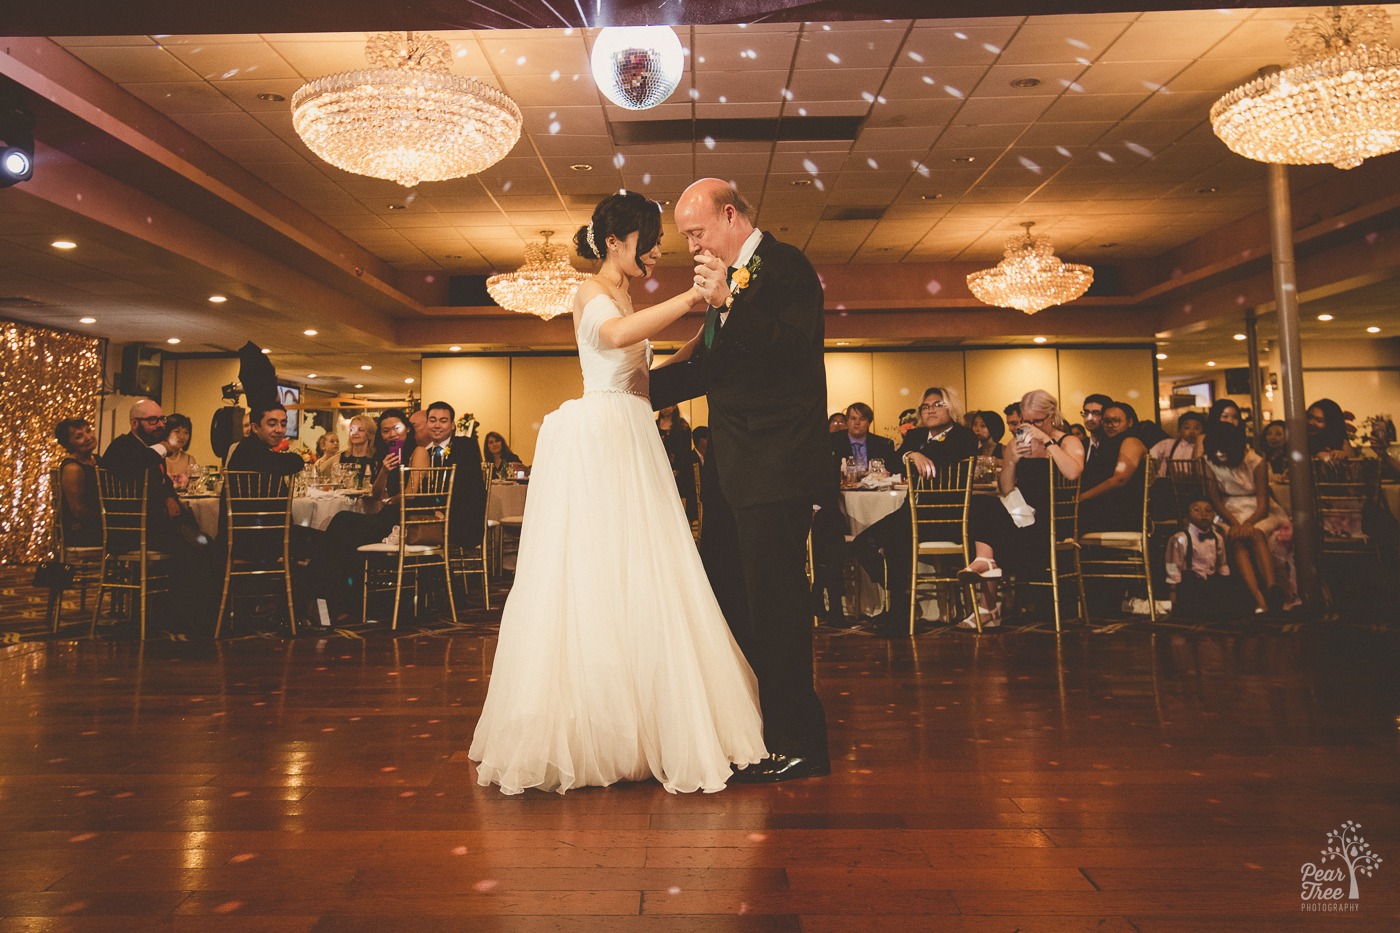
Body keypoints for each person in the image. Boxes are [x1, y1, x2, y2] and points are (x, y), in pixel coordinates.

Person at [470, 190, 765, 795]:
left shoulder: (627, 296)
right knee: (597, 570)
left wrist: (709, 332)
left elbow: (643, 369)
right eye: (649, 242)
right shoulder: (591, 291)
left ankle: (642, 716)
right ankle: (595, 725)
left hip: (632, 429)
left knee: (644, 569)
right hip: (605, 434)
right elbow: (610, 339)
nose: (658, 252)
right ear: (613, 243)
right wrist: (692, 296)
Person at [647, 177, 832, 782]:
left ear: (731, 215)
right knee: (729, 595)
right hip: (732, 468)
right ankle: (752, 726)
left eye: (698, 233)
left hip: (776, 466)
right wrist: (631, 390)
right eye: (686, 239)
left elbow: (789, 349)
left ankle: (800, 741)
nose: (693, 248)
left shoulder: (787, 268)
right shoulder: (727, 284)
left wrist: (728, 303)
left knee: (777, 603)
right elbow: (713, 370)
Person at [853, 385, 979, 632]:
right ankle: (896, 595)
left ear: (951, 408)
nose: (930, 410)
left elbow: (942, 458)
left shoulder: (963, 436)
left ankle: (900, 614)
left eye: (937, 405)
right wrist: (910, 453)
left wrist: (915, 454)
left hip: (946, 515)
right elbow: (890, 461)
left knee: (896, 542)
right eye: (925, 407)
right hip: (912, 513)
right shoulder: (916, 437)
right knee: (864, 543)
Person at [959, 390, 1085, 629]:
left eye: (1037, 421)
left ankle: (988, 607)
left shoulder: (1068, 441)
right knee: (981, 504)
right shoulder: (1018, 442)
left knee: (991, 532)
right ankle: (986, 567)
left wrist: (1048, 442)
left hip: (1053, 519)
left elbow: (1072, 472)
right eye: (1027, 421)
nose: (1031, 426)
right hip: (1021, 514)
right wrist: (1012, 460)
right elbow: (1006, 488)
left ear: (1052, 416)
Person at [1202, 422, 1292, 615]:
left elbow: (1263, 501)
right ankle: (1257, 596)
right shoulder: (1208, 461)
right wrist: (1235, 523)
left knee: (1256, 533)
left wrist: (1248, 523)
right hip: (1227, 511)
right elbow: (1215, 500)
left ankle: (1271, 588)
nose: (1219, 454)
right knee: (1236, 539)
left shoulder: (1255, 461)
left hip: (1258, 510)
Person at [404, 400, 485, 550]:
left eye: (443, 421)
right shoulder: (424, 453)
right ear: (427, 423)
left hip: (460, 520)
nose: (437, 425)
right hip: (430, 518)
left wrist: (444, 512)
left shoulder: (465, 446)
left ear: (452, 425)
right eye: (432, 420)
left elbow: (470, 489)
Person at [1077, 401, 1149, 534]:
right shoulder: (1106, 444)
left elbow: (1120, 479)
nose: (1110, 425)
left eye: (1116, 421)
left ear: (1130, 422)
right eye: (1106, 421)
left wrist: (1081, 497)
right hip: (1106, 506)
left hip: (1123, 510)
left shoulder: (1131, 441)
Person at [1164, 497, 1240, 620]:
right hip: (1190, 583)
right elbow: (1172, 565)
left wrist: (1225, 586)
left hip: (1211, 582)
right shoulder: (1180, 538)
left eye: (1208, 510)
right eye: (1197, 510)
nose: (1203, 514)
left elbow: (1222, 564)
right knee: (1193, 611)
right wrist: (1173, 591)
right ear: (1188, 515)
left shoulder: (1217, 538)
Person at [54, 417, 102, 548]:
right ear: (68, 444)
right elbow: (78, 511)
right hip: (82, 531)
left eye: (88, 431)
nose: (88, 437)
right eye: (79, 436)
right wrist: (109, 520)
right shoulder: (72, 468)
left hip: (97, 525)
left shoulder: (97, 460)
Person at [656, 405, 697, 519]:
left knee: (678, 501)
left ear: (674, 407)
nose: (664, 408)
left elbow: (685, 452)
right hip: (659, 468)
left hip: (678, 471)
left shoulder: (682, 426)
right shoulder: (654, 425)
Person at [831, 402, 897, 472]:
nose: (857, 422)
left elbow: (892, 473)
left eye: (862, 419)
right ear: (847, 421)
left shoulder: (883, 444)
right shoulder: (832, 441)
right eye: (853, 418)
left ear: (869, 423)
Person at [1151, 412, 1205, 477]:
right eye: (1187, 428)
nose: (1192, 432)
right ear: (1179, 430)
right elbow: (1151, 456)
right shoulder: (1168, 444)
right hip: (1166, 483)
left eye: (1197, 428)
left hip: (1193, 484)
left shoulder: (1205, 448)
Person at [163, 413, 197, 489]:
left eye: (186, 432)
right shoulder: (157, 457)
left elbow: (194, 488)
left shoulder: (190, 460)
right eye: (177, 431)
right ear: (166, 432)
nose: (182, 436)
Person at [1080, 393, 1112, 467]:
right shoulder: (1081, 445)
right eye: (1086, 413)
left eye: (1096, 413)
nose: (1089, 418)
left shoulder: (1114, 446)